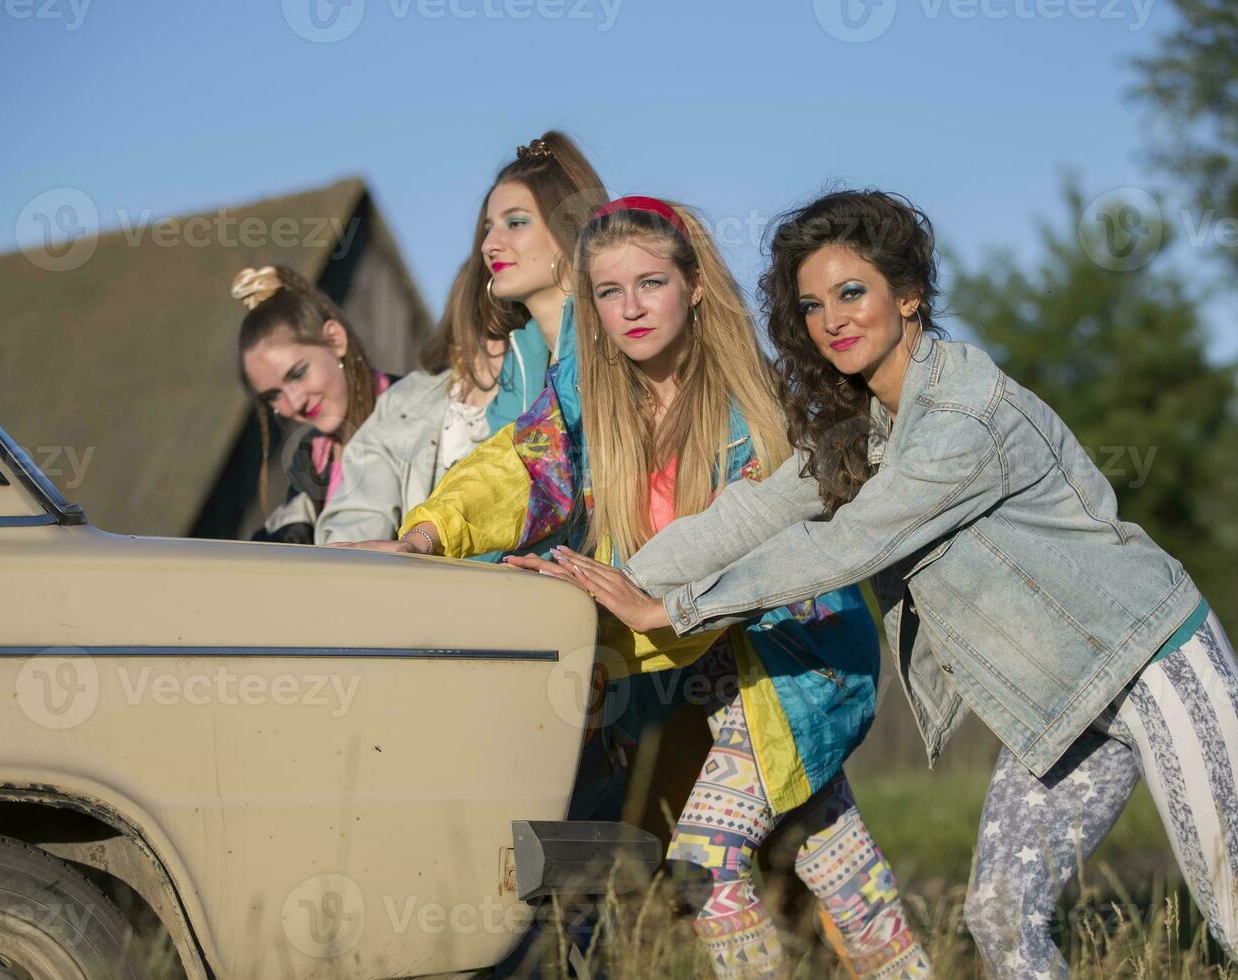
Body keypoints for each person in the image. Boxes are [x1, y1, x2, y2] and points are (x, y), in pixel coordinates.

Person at [555, 189, 1238, 979]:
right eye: (813, 305)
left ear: (909, 294)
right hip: (1061, 699)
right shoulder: (865, 423)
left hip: (1154, 662)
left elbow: (851, 543)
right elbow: (753, 511)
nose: (833, 321)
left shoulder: (962, 416)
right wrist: (605, 583)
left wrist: (674, 609)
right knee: (999, 918)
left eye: (853, 293)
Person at [381, 196, 931, 978]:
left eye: (650, 284)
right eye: (609, 292)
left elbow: (729, 561)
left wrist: (613, 618)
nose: (630, 308)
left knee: (706, 860)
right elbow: (524, 466)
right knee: (833, 850)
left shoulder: (755, 410)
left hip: (791, 657)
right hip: (687, 658)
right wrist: (434, 529)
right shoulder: (593, 404)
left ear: (695, 286)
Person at [318, 131, 609, 549]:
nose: (490, 244)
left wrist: (427, 540)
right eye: (488, 228)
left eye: (516, 222)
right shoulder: (523, 358)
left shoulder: (607, 340)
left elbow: (532, 466)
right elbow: (495, 475)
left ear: (569, 228)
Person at [234, 264, 395, 543]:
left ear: (335, 340)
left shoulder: (424, 413)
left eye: (298, 373)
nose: (294, 403)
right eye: (273, 396)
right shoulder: (310, 460)